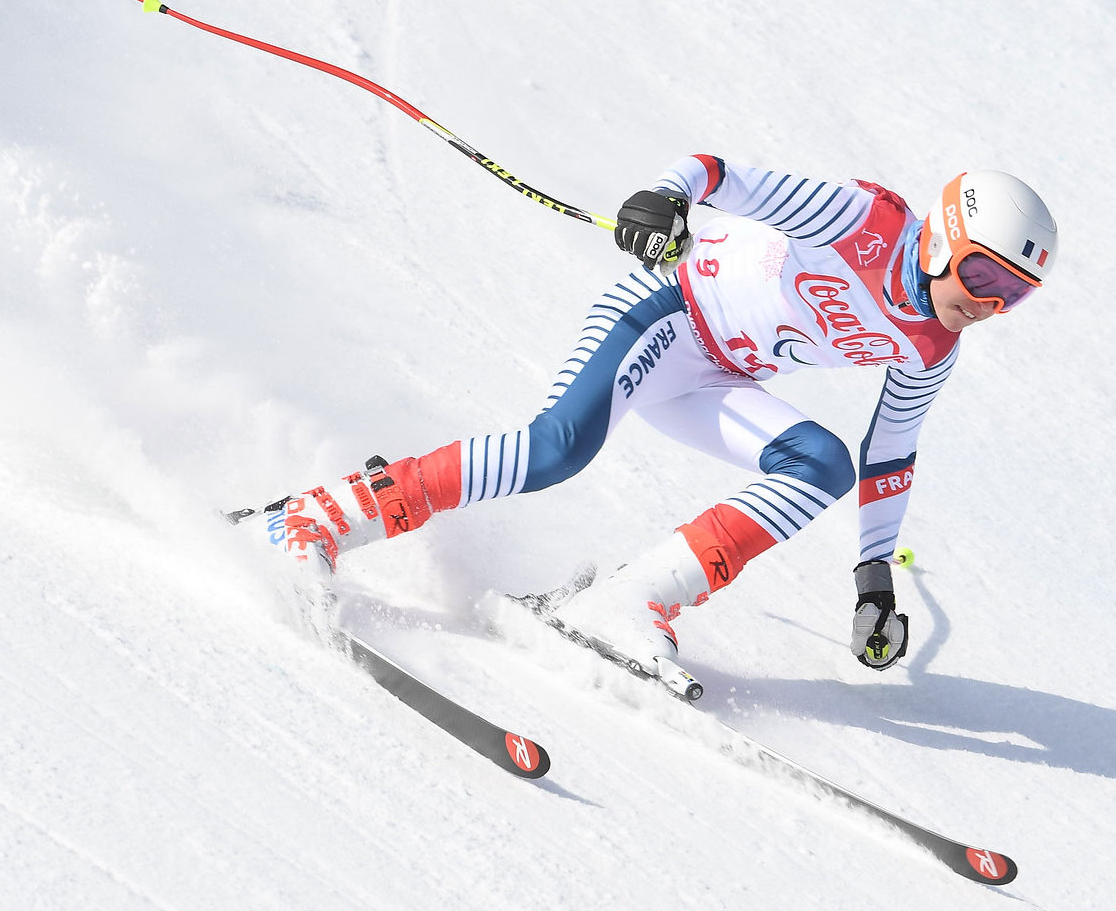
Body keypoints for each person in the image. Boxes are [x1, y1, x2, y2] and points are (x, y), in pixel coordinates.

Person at [238, 155, 1058, 675]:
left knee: (824, 462)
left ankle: (631, 602)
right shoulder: (863, 224)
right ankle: (315, 517)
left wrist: (872, 574)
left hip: (716, 376)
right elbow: (719, 174)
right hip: (666, 312)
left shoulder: (930, 345)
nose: (990, 306)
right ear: (945, 238)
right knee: (555, 448)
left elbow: (891, 454)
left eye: (1015, 296)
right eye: (987, 277)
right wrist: (662, 198)